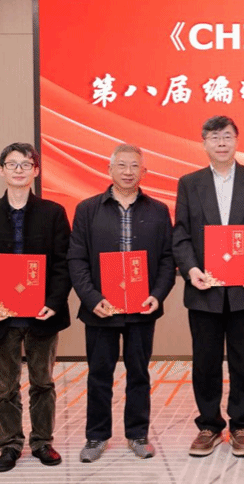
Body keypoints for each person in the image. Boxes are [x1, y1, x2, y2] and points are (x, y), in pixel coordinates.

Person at [173, 115, 244, 457]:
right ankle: (208, 425)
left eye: (227, 136)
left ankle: (241, 426)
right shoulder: (189, 183)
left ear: (236, 140)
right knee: (204, 362)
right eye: (214, 137)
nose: (221, 142)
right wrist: (191, 270)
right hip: (204, 289)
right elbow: (181, 235)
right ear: (204, 143)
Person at [0, 143, 71, 472]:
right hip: (2, 315)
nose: (19, 170)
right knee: (6, 386)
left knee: (43, 383)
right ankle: (9, 444)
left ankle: (42, 442)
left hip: (42, 314)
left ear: (36, 171)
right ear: (1, 170)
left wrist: (54, 303)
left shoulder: (53, 213)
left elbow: (64, 263)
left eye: (26, 164)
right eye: (12, 164)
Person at [67, 144, 175, 463]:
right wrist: (92, 298)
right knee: (99, 374)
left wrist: (157, 294)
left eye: (135, 166)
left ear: (145, 172)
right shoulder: (87, 209)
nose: (128, 172)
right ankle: (96, 436)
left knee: (139, 373)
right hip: (101, 308)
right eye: (122, 165)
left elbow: (167, 259)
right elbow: (76, 259)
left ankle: (137, 434)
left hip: (142, 307)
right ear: (109, 169)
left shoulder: (158, 210)